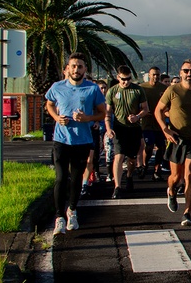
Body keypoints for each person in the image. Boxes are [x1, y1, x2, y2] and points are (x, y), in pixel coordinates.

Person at [45, 53, 107, 234]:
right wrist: (57, 118)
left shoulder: (92, 89)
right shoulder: (57, 87)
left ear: (85, 70)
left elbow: (102, 113)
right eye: (73, 66)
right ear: (67, 69)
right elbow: (49, 104)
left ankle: (72, 210)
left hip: (83, 140)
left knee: (77, 178)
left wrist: (87, 118)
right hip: (61, 140)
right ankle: (59, 217)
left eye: (80, 66)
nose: (76, 69)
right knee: (61, 177)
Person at [154, 59, 191, 226]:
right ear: (180, 72)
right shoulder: (172, 90)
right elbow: (158, 110)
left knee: (190, 176)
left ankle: (187, 213)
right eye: (186, 71)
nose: (189, 74)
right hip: (176, 139)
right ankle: (171, 191)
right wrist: (166, 129)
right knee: (176, 176)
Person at [104, 65, 149, 199]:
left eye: (128, 79)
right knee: (118, 156)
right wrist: (108, 127)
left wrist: (137, 117)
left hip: (134, 128)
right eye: (123, 79)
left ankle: (129, 176)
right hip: (119, 128)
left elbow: (145, 109)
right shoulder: (112, 91)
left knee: (131, 158)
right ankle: (117, 186)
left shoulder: (138, 90)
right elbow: (107, 112)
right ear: (118, 77)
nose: (126, 82)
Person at [81, 78, 109, 197]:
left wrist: (97, 121)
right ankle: (79, 181)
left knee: (90, 158)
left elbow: (102, 113)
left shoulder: (96, 98)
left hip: (92, 130)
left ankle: (85, 184)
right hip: (77, 131)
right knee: (78, 160)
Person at [139, 67, 168, 181]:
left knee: (161, 147)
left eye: (158, 75)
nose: (156, 77)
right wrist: (142, 113)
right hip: (147, 123)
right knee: (149, 146)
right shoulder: (142, 88)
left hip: (160, 123)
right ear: (149, 75)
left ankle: (157, 170)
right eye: (154, 75)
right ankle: (144, 166)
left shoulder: (164, 89)